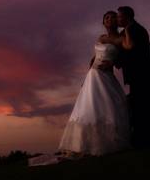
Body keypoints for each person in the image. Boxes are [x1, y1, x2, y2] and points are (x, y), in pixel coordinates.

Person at [46, 11, 131, 161]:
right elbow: (95, 56)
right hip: (93, 75)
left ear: (116, 21)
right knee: (88, 109)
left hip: (106, 76)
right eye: (106, 18)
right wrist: (87, 74)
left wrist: (128, 29)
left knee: (108, 107)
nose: (109, 19)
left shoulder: (120, 38)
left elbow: (129, 48)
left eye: (112, 17)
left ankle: (108, 143)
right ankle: (85, 144)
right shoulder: (101, 38)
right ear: (103, 22)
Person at [103, 6, 150, 148]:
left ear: (127, 17)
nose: (117, 19)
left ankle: (146, 140)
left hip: (143, 74)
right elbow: (122, 54)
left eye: (119, 17)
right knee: (138, 107)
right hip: (135, 76)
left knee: (145, 107)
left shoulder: (138, 30)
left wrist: (115, 62)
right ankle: (142, 139)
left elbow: (135, 54)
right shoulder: (125, 32)